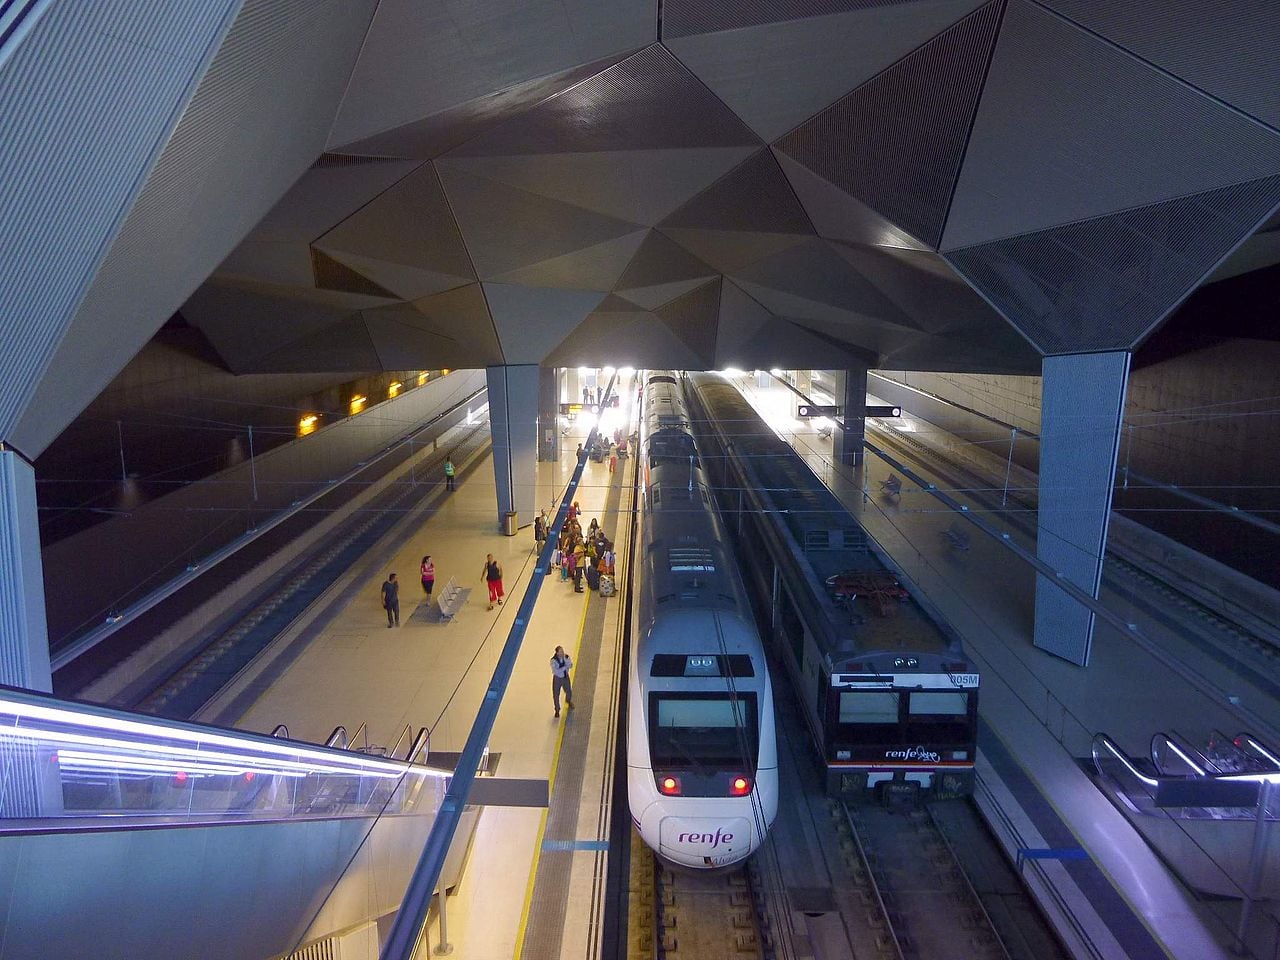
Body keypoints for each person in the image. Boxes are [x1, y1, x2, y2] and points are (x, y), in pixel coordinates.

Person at [550, 646, 574, 718]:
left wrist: (566, 663)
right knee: (556, 694)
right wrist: (564, 667)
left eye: (562, 651)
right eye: (560, 651)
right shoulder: (553, 661)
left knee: (569, 690)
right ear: (557, 653)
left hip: (565, 677)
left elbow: (570, 665)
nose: (562, 653)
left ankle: (568, 701)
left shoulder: (566, 657)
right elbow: (555, 671)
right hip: (557, 678)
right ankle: (557, 710)